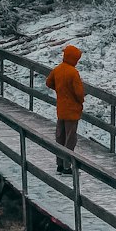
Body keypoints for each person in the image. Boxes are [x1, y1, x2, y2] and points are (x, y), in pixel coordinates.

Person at [46, 45, 84, 174]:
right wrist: (80, 101)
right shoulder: (73, 73)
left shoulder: (58, 69)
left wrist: (60, 90)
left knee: (60, 137)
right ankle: (67, 166)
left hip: (61, 109)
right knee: (70, 139)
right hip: (72, 110)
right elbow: (79, 92)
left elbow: (49, 82)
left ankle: (59, 164)